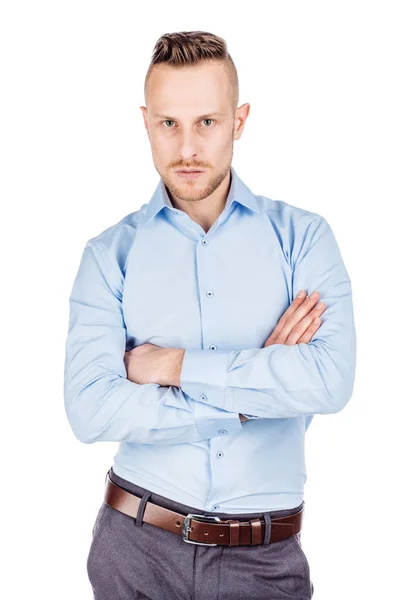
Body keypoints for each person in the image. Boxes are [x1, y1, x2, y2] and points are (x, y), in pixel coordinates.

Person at [64, 30, 356, 600]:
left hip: (264, 563)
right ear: (146, 122)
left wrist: (169, 364)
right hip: (135, 546)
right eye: (169, 123)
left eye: (207, 122)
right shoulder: (108, 256)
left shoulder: (302, 240)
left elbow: (330, 380)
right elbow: (89, 410)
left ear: (239, 121)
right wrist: (255, 395)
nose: (187, 146)